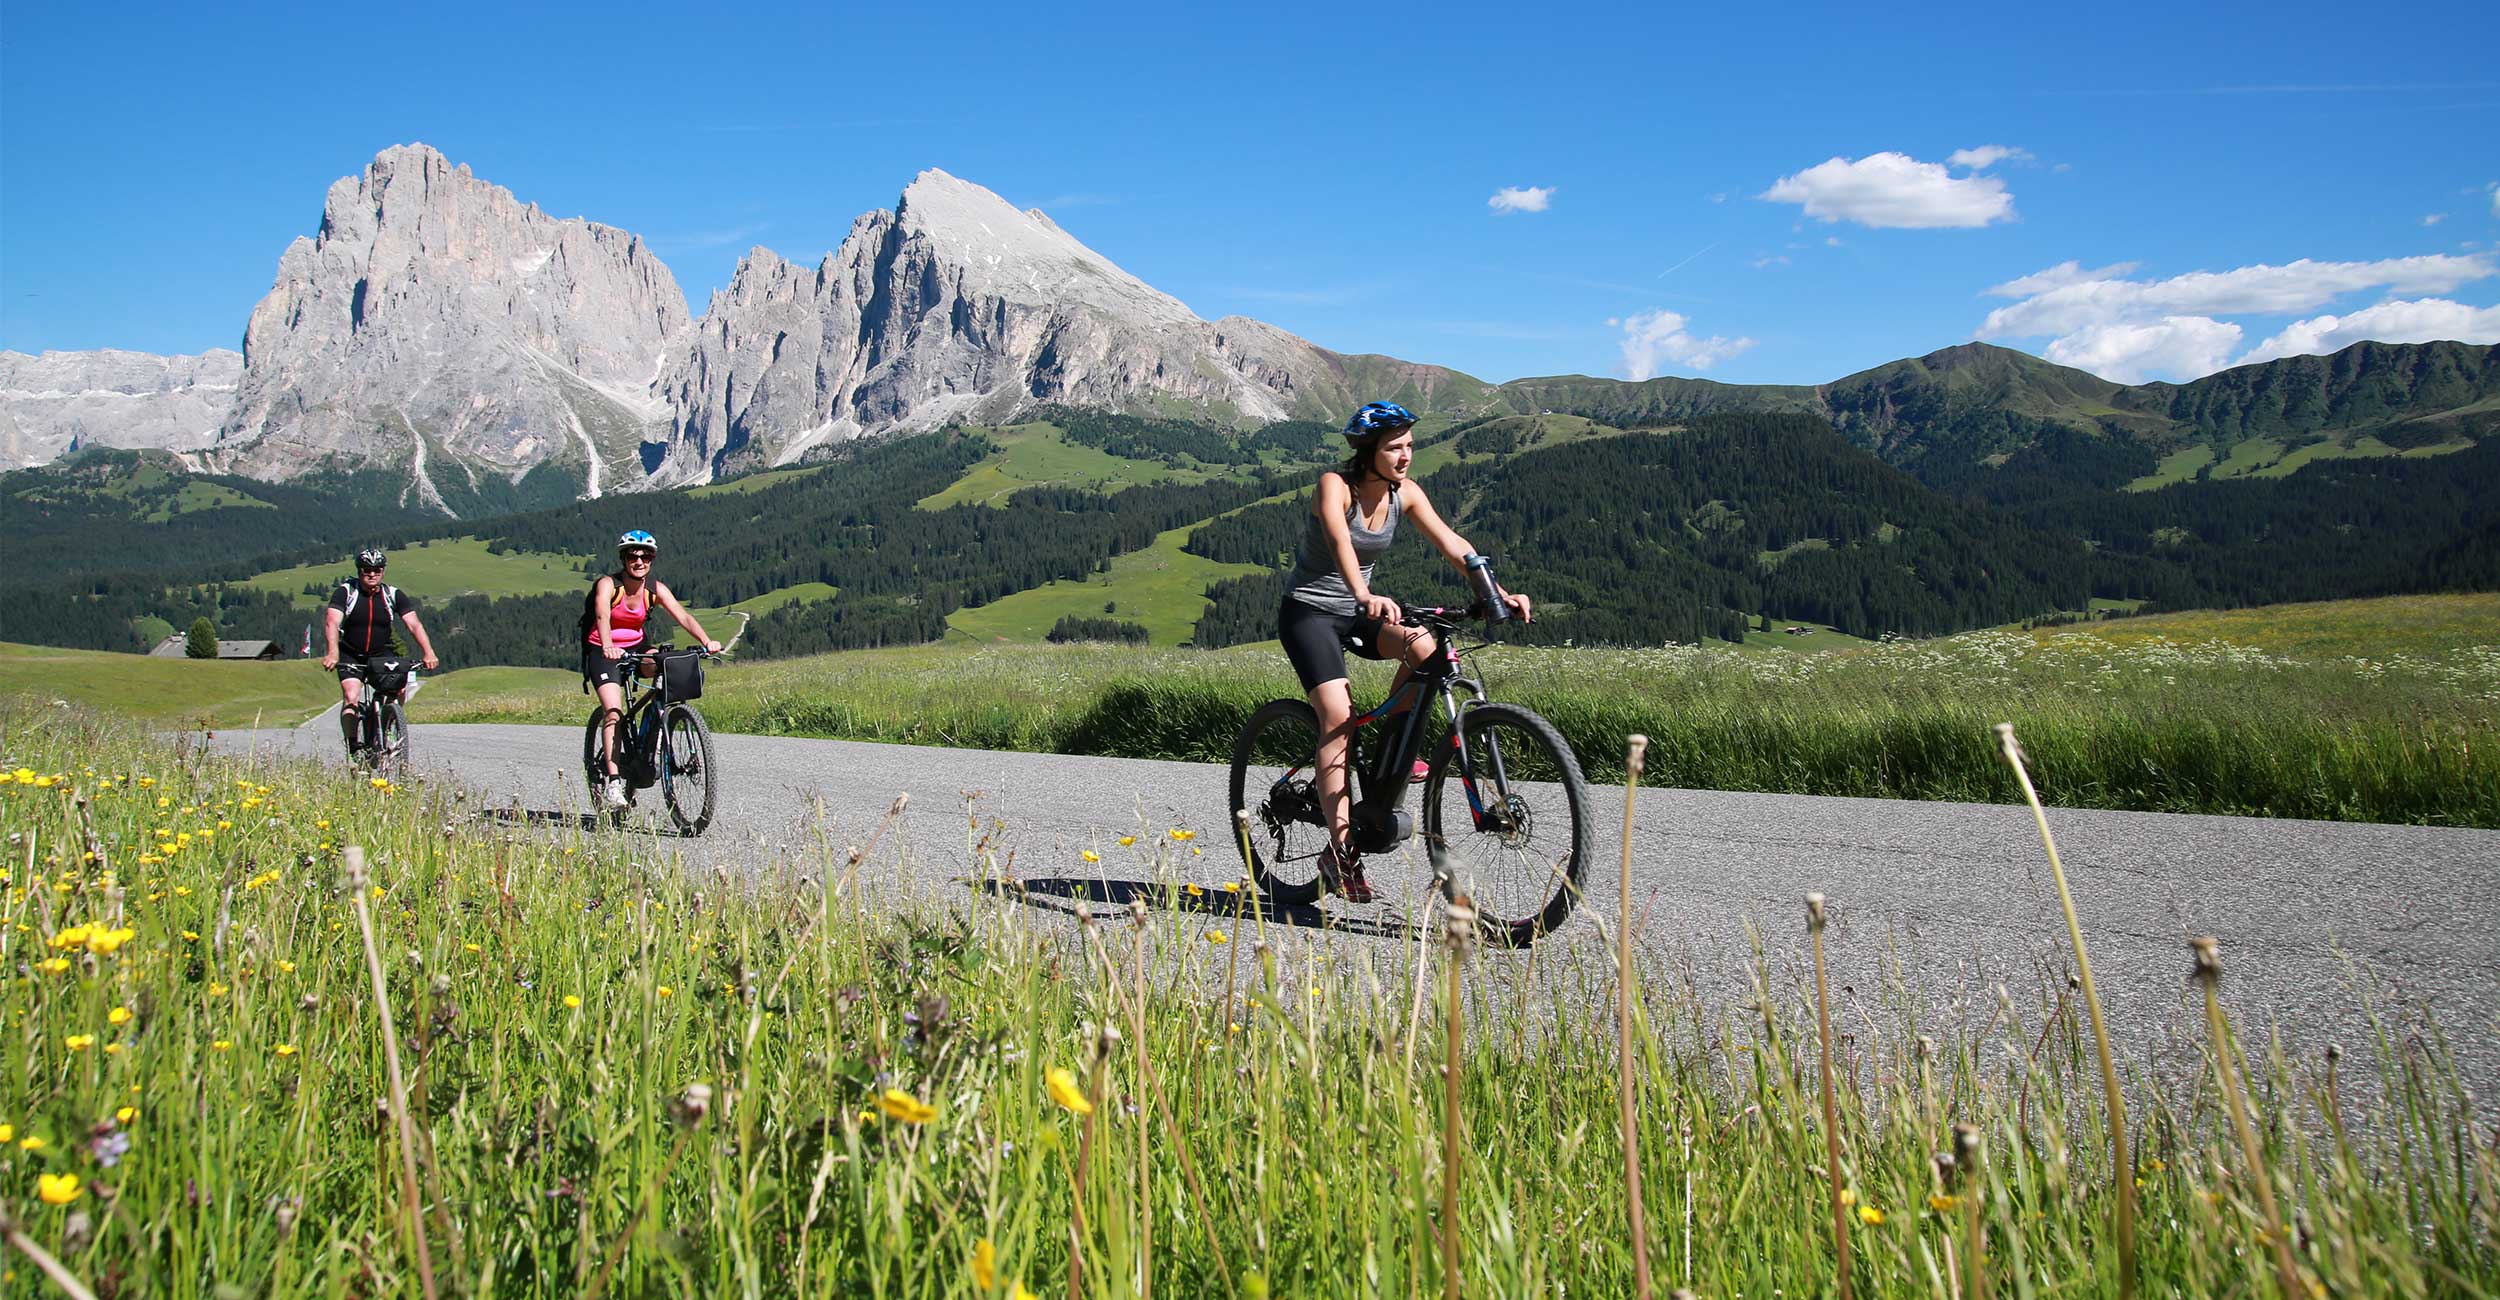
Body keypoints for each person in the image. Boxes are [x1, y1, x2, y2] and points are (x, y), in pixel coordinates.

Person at [1278, 401, 1532, 903]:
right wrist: (1363, 593)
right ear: (1368, 451)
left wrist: (1495, 592)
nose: (1405, 456)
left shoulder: (1405, 494)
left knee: (1430, 650)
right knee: (1337, 716)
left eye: (1409, 446)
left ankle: (1394, 752)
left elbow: (1452, 543)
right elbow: (1339, 540)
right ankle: (1342, 849)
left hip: (1360, 612)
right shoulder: (1335, 485)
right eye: (1394, 447)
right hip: (1310, 612)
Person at [584, 529, 724, 809]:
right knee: (614, 712)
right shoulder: (608, 584)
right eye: (633, 556)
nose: (639, 561)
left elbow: (682, 615)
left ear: (652, 559)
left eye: (646, 556)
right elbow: (601, 614)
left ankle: (656, 735)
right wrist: (609, 645)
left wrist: (706, 641)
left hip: (636, 646)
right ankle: (613, 783)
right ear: (624, 559)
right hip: (603, 650)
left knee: (665, 666)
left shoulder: (654, 589)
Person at [319, 547, 440, 757]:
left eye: (377, 570)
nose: (372, 574)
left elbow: (414, 625)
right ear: (359, 571)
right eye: (367, 570)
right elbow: (332, 622)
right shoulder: (346, 592)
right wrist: (333, 653)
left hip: (380, 653)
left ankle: (389, 722)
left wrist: (429, 652)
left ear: (383, 571)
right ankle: (353, 745)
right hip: (350, 653)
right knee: (351, 696)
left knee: (399, 689)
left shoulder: (392, 594)